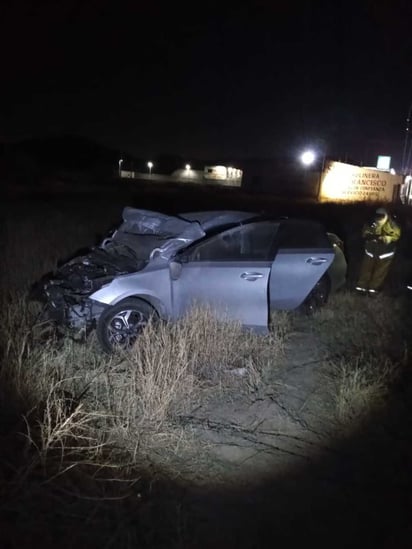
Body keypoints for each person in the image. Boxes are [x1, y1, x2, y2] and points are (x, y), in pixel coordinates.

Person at [355, 207, 401, 295]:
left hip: (385, 253)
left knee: (380, 273)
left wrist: (385, 238)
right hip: (370, 251)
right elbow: (365, 232)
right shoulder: (370, 222)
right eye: (377, 216)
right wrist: (369, 236)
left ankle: (373, 289)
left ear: (386, 216)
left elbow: (396, 235)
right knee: (365, 270)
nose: (378, 219)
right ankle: (361, 288)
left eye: (381, 217)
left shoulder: (392, 224)